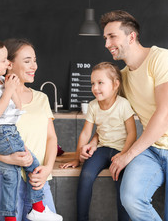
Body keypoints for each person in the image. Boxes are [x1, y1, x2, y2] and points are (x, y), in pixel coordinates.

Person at [100, 10, 168, 221]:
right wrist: (92, 142)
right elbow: (107, 112)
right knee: (131, 198)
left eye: (112, 36)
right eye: (105, 38)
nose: (106, 43)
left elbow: (167, 114)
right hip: (152, 150)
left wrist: (128, 155)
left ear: (131, 36)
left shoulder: (162, 58)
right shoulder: (122, 78)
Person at [0, 38, 63, 221]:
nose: (34, 66)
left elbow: (51, 138)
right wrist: (5, 158)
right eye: (27, 61)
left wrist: (47, 169)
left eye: (34, 60)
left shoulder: (41, 98)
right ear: (8, 64)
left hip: (37, 180)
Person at [60, 62, 136, 221]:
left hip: (121, 150)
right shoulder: (93, 106)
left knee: (122, 183)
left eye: (100, 83)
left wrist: (123, 156)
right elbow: (86, 133)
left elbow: (132, 134)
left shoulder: (123, 104)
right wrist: (76, 158)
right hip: (102, 149)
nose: (95, 87)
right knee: (86, 175)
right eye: (93, 83)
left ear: (115, 84)